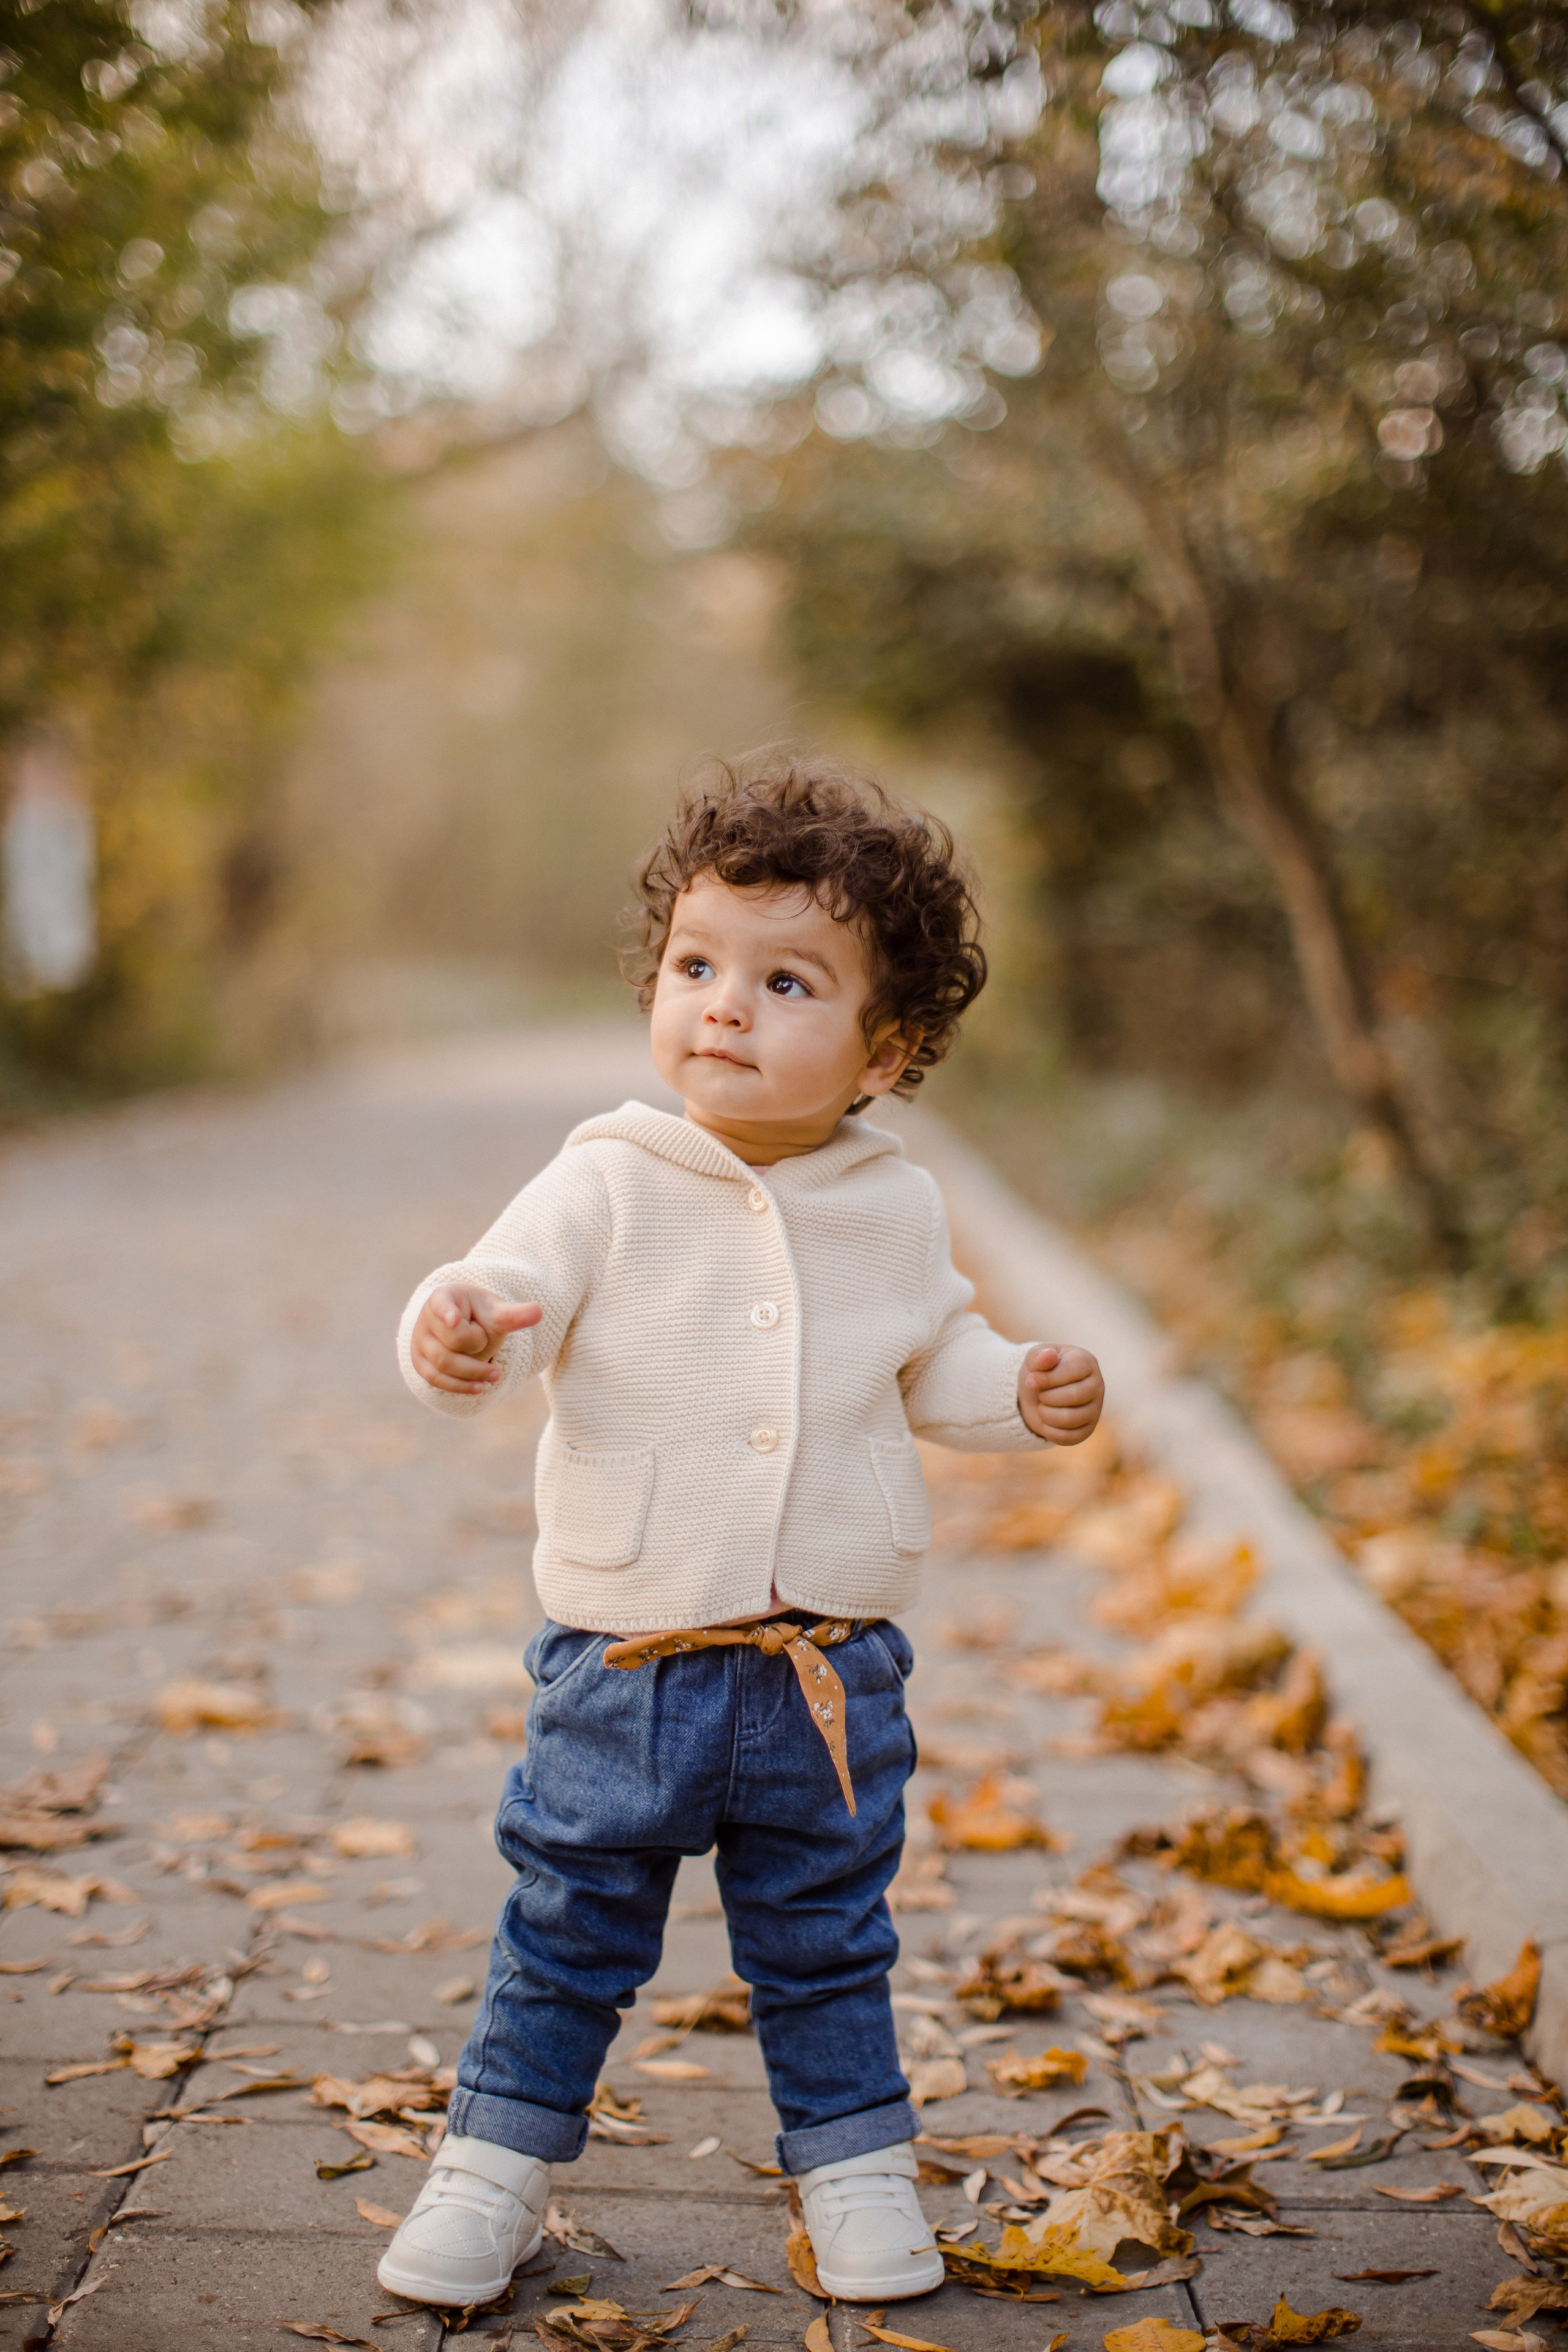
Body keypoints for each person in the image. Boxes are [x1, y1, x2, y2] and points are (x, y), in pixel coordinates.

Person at [376, 755, 1105, 2310]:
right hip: (625, 1659)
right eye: (698, 965)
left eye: (787, 983)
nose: (724, 1005)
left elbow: (934, 1362)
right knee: (567, 1928)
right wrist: (455, 1334)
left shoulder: (890, 1206)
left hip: (826, 1676)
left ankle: (851, 2177)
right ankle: (491, 2171)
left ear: (882, 1050)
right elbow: (500, 1303)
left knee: (825, 1945)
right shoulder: (602, 1183)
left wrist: (1016, 1388)